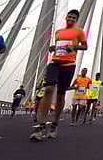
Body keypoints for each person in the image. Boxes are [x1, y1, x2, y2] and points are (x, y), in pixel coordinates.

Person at [29, 9, 87, 141]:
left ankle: (54, 124)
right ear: (66, 17)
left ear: (76, 20)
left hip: (69, 65)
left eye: (73, 18)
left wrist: (74, 47)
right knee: (49, 89)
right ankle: (42, 126)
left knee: (61, 95)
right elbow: (59, 45)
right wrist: (53, 48)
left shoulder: (79, 32)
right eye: (69, 17)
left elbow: (85, 46)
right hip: (54, 62)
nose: (71, 19)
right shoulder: (58, 32)